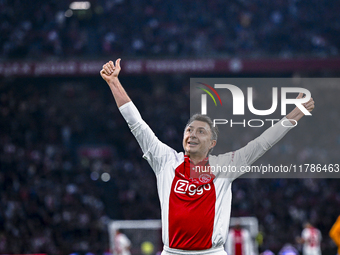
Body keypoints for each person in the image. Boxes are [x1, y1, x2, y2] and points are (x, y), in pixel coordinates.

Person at [100, 59, 315, 255]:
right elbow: (137, 125)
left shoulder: (225, 166)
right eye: (189, 130)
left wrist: (294, 114)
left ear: (212, 143)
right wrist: (113, 82)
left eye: (200, 131)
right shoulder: (165, 161)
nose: (192, 134)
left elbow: (262, 143)